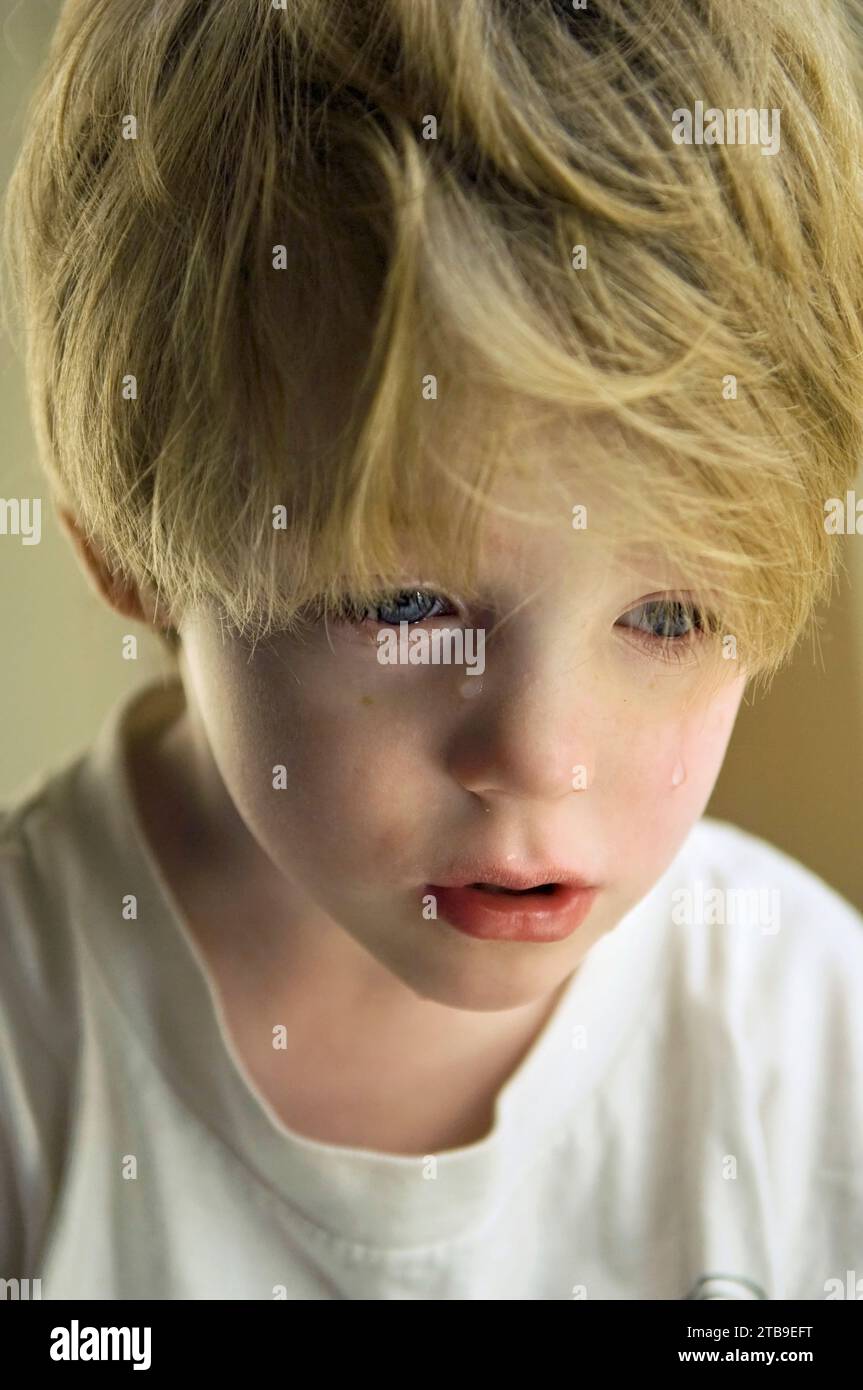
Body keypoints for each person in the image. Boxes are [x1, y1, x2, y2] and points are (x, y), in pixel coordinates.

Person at [2, 0, 862, 1300]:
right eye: (407, 606)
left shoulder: (812, 1052)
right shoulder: (33, 1056)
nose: (543, 757)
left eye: (672, 615)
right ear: (136, 551)